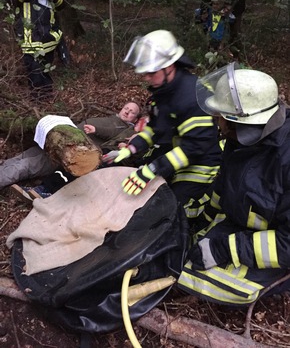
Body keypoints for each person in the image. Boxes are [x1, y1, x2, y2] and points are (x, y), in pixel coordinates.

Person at [178, 62, 290, 305]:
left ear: (243, 120)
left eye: (219, 117)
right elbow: (225, 186)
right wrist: (199, 216)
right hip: (246, 229)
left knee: (189, 275)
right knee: (183, 250)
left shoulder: (284, 159)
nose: (215, 122)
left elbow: (286, 243)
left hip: (279, 250)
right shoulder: (239, 139)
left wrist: (223, 249)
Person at [104, 30, 222, 222]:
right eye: (144, 72)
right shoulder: (163, 91)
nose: (146, 78)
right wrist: (131, 149)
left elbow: (194, 147)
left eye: (151, 72)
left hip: (200, 165)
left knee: (172, 211)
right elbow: (155, 129)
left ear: (170, 66)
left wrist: (152, 169)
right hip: (174, 157)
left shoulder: (193, 96)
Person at [1, 101, 141, 197]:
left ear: (135, 119)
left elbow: (111, 135)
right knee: (24, 156)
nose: (127, 112)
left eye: (132, 112)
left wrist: (96, 129)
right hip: (60, 140)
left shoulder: (126, 129)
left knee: (26, 165)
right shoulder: (111, 118)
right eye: (126, 108)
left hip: (70, 152)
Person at [3, 0, 65, 100]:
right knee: (35, 78)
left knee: (46, 77)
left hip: (49, 38)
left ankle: (46, 107)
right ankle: (39, 108)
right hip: (29, 39)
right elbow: (9, 0)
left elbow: (61, 5)